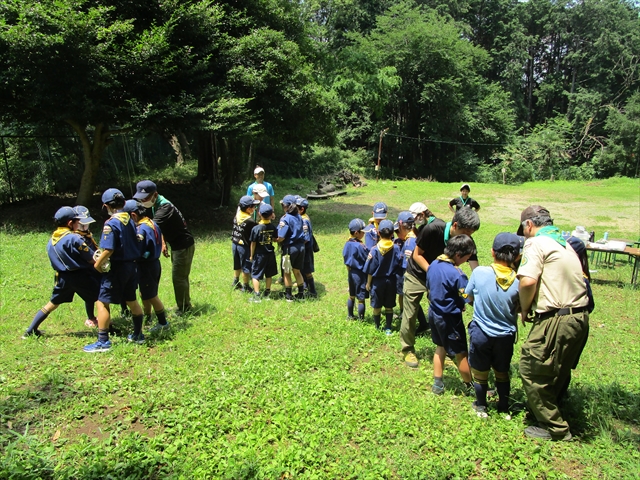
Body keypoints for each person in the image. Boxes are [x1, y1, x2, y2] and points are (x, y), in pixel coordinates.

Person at [517, 205, 590, 441]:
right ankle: (549, 409)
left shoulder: (536, 243)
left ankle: (555, 427)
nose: (524, 233)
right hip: (579, 316)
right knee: (558, 369)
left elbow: (527, 282)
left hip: (556, 318)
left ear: (529, 225)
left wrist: (525, 308)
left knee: (530, 366)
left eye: (524, 229)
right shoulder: (565, 242)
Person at [400, 208, 481, 368]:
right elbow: (417, 255)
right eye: (465, 232)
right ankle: (407, 349)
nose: (468, 237)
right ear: (455, 225)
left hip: (440, 278)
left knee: (444, 315)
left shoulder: (465, 241)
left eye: (471, 233)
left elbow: (475, 268)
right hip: (417, 274)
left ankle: (447, 351)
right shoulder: (433, 229)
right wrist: (434, 273)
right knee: (410, 313)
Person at [464, 233, 521, 417]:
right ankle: (504, 407)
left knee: (480, 372)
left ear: (492, 252)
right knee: (502, 371)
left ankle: (481, 406)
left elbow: (468, 296)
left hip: (481, 333)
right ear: (517, 256)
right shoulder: (520, 281)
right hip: (505, 336)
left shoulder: (479, 272)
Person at [22, 207, 99, 338]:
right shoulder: (74, 239)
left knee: (52, 304)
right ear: (70, 223)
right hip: (80, 276)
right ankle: (108, 328)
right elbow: (92, 259)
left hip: (62, 278)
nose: (78, 224)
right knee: (100, 297)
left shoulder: (51, 240)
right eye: (77, 222)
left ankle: (30, 330)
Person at [84, 189, 144, 352]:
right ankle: (138, 334)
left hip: (117, 268)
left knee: (102, 301)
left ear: (105, 206)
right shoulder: (130, 219)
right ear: (124, 203)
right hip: (132, 267)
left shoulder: (111, 224)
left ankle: (103, 341)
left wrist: (97, 265)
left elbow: (108, 249)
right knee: (131, 300)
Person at [133, 180, 195, 314]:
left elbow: (151, 227)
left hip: (183, 246)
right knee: (180, 277)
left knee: (179, 278)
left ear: (155, 194)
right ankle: (183, 304)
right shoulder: (157, 204)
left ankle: (184, 308)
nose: (143, 201)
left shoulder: (165, 207)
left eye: (146, 198)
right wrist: (163, 241)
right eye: (141, 199)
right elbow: (163, 226)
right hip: (176, 244)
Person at [426, 234, 477, 395]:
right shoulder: (457, 274)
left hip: (434, 313)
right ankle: (470, 386)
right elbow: (468, 297)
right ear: (458, 255)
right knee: (461, 352)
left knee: (440, 347)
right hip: (449, 319)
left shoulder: (433, 264)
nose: (467, 261)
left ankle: (438, 383)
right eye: (467, 258)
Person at [124, 200, 169, 332]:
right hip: (154, 264)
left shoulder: (141, 229)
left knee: (151, 295)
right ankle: (148, 317)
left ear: (133, 215)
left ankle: (163, 322)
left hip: (146, 266)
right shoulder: (151, 222)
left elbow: (139, 249)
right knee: (145, 293)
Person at [364, 219, 403, 334]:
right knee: (389, 306)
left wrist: (368, 283)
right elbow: (399, 263)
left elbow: (370, 269)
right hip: (391, 281)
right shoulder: (396, 248)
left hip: (377, 282)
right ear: (392, 234)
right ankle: (388, 327)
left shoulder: (375, 249)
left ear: (379, 233)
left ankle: (377, 327)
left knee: (377, 306)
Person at [73, 205, 101, 328]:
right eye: (82, 224)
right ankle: (90, 317)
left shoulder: (87, 234)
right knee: (89, 297)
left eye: (86, 224)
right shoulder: (75, 237)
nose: (84, 227)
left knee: (100, 292)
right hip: (85, 269)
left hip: (94, 267)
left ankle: (102, 315)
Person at [276, 195, 306, 301]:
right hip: (301, 247)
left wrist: (274, 240)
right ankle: (301, 294)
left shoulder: (286, 218)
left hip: (290, 248)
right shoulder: (299, 217)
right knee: (297, 271)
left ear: (286, 206)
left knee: (287, 272)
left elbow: (281, 237)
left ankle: (288, 295)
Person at [248, 203, 278, 303]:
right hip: (270, 254)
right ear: (271, 215)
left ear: (259, 214)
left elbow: (253, 243)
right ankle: (267, 293)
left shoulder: (256, 229)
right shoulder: (273, 227)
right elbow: (274, 239)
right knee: (268, 274)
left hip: (259, 255)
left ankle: (257, 295)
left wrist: (251, 255)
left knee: (255, 275)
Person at [232, 195, 260, 292]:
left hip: (235, 243)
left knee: (237, 263)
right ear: (248, 209)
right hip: (244, 247)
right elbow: (256, 231)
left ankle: (235, 281)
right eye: (253, 206)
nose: (255, 208)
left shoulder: (237, 215)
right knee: (246, 267)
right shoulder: (250, 221)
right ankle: (246, 286)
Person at [343, 219, 369, 320]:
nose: (364, 234)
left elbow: (345, 256)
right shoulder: (360, 246)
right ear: (357, 233)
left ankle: (350, 315)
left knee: (351, 295)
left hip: (350, 272)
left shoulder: (347, 243)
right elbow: (366, 258)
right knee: (361, 298)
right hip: (360, 274)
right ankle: (361, 318)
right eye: (363, 232)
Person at [393, 211, 415, 319]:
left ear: (401, 226)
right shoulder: (404, 240)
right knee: (401, 295)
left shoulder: (409, 242)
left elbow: (407, 265)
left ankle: (405, 314)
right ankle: (403, 312)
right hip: (401, 275)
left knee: (406, 296)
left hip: (407, 275)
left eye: (398, 231)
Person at [297, 197, 317, 298]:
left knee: (307, 270)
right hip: (303, 248)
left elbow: (305, 238)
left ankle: (313, 290)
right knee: (301, 269)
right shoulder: (301, 217)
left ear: (301, 209)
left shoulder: (304, 220)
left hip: (306, 249)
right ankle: (304, 286)